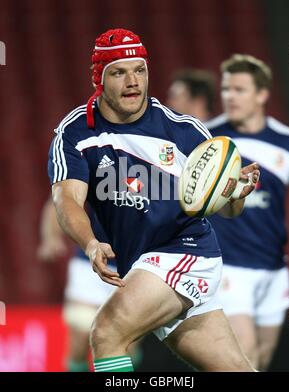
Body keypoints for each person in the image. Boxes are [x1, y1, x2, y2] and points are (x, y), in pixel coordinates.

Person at [48, 28, 260, 372]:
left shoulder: (182, 130)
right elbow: (66, 200)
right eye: (119, 72)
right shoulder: (76, 133)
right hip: (142, 263)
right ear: (98, 80)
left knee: (106, 333)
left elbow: (230, 208)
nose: (132, 81)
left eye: (140, 70)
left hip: (184, 250)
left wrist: (235, 192)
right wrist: (89, 243)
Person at [206, 54, 289, 370]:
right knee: (242, 357)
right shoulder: (208, 138)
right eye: (226, 89)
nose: (229, 96)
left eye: (240, 89)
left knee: (260, 360)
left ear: (262, 94)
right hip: (228, 267)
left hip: (274, 269)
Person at [37, 198, 118, 371]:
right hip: (89, 265)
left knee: (125, 346)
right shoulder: (98, 170)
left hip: (136, 267)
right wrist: (50, 237)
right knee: (80, 340)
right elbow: (61, 200)